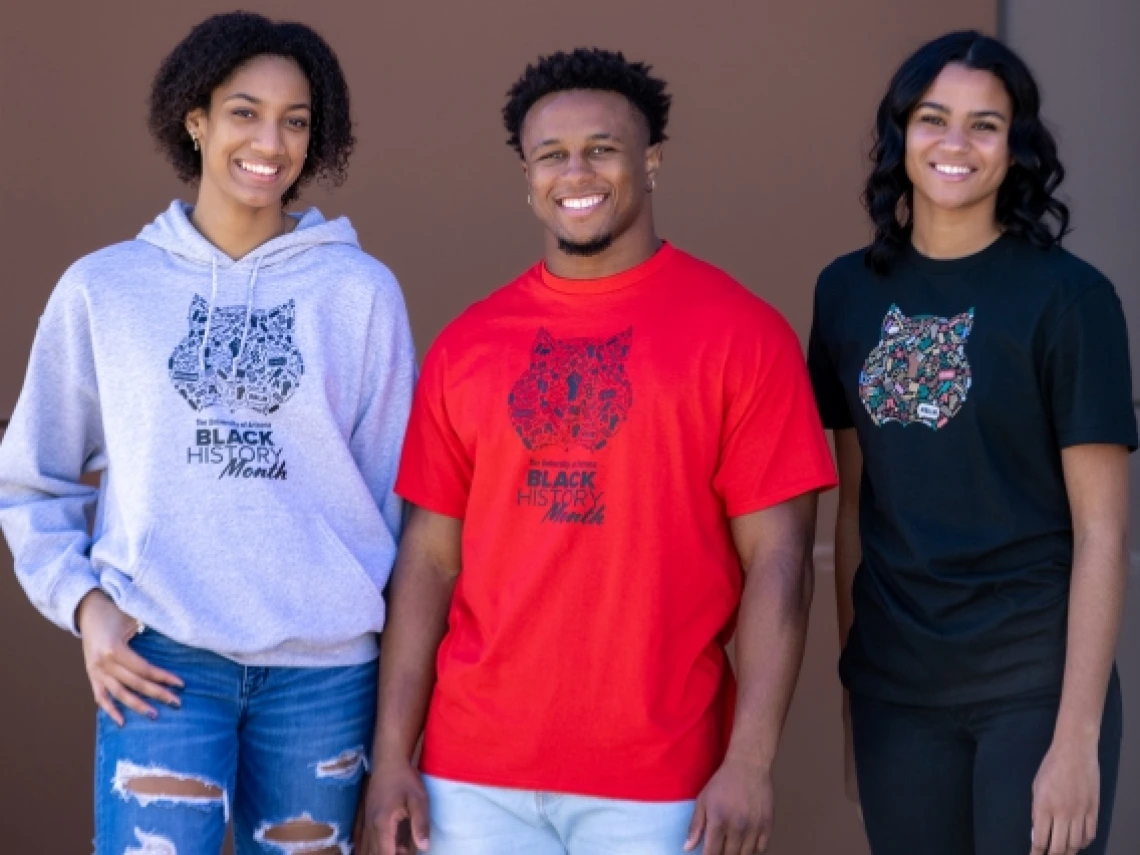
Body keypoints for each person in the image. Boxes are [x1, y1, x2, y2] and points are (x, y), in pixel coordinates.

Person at [358, 48, 837, 855]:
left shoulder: (743, 336)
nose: (575, 172)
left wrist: (751, 759)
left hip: (659, 781)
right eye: (551, 154)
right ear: (526, 174)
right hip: (471, 777)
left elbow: (780, 566)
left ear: (651, 160)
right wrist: (392, 759)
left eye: (603, 149)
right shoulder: (468, 345)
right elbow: (429, 563)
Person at [0, 12, 415, 854]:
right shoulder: (105, 289)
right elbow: (32, 476)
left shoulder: (359, 293)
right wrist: (86, 608)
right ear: (195, 118)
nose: (271, 140)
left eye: (295, 120)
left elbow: (397, 500)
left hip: (325, 675)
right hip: (161, 666)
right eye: (244, 111)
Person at [807, 30, 1135, 855]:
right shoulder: (845, 291)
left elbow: (1104, 532)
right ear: (900, 134)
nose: (955, 144)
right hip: (898, 687)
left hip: (1033, 682)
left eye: (985, 125)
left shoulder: (1070, 299)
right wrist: (854, 696)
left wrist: (1076, 738)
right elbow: (854, 508)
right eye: (933, 118)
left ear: (1015, 148)